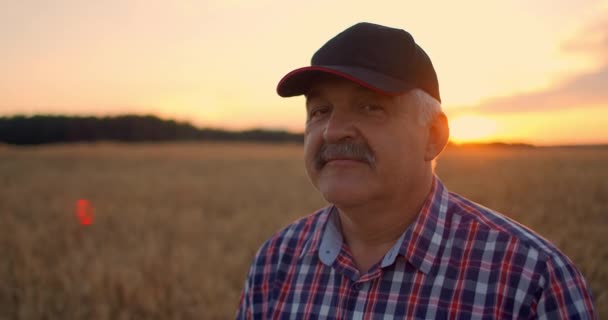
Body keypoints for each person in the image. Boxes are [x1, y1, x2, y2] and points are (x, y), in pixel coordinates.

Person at [236, 22, 595, 319]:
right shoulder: (276, 262)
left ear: (433, 136)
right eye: (320, 111)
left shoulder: (530, 280)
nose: (333, 130)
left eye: (369, 107)